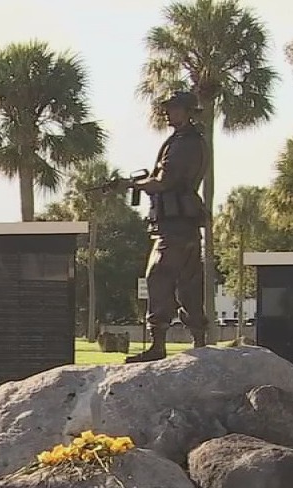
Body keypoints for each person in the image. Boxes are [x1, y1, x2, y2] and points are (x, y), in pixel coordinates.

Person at [120, 90, 210, 363]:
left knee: (159, 277)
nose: (169, 113)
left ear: (186, 111)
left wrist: (133, 185)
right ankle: (199, 342)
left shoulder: (185, 143)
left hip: (174, 227)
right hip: (183, 225)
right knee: (188, 284)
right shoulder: (188, 141)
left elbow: (164, 181)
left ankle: (158, 345)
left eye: (174, 108)